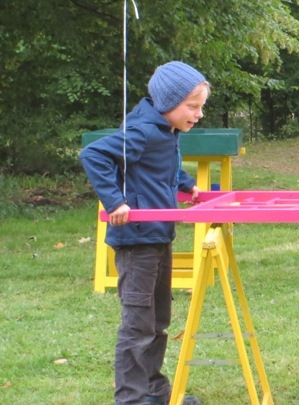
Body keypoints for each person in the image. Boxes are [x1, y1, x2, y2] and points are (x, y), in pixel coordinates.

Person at [79, 61, 209, 405]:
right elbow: (93, 155)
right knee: (138, 325)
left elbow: (158, 167)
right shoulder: (143, 130)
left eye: (200, 106)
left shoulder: (165, 129)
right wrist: (115, 201)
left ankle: (154, 393)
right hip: (137, 241)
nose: (198, 114)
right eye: (192, 106)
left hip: (159, 235)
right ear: (168, 102)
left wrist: (185, 183)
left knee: (158, 319)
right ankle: (131, 400)